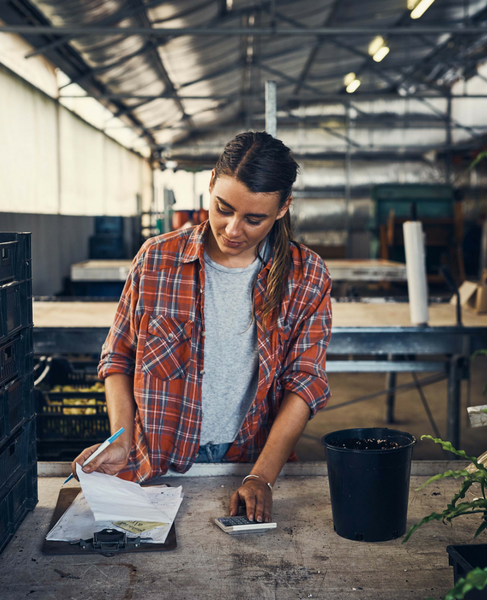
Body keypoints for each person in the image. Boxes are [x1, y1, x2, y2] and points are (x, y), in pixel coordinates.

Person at [72, 131, 332, 523]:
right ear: (210, 183)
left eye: (253, 218)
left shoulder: (306, 275)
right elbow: (119, 356)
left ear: (282, 209)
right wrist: (120, 438)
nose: (231, 229)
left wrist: (261, 476)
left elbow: (305, 382)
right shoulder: (157, 260)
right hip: (157, 464)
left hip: (250, 464)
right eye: (223, 208)